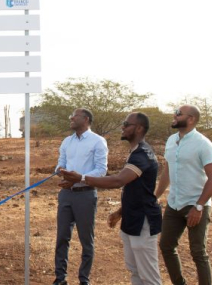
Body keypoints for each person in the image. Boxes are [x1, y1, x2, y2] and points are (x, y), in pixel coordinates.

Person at [60, 112, 162, 285]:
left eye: (126, 124)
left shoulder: (143, 154)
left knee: (149, 276)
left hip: (143, 220)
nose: (122, 127)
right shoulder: (135, 153)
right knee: (135, 271)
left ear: (138, 128)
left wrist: (81, 178)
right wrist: (120, 212)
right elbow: (136, 190)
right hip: (131, 218)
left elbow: (118, 180)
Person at [155, 105, 212, 285]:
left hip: (196, 204)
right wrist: (156, 196)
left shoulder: (204, 144)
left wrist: (199, 207)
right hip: (174, 203)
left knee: (198, 252)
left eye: (178, 114)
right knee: (166, 246)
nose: (174, 116)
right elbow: (167, 171)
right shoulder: (171, 140)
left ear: (190, 119)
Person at [53, 108, 108, 285]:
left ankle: (84, 279)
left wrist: (78, 179)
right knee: (62, 237)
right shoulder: (67, 141)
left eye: (74, 115)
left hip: (85, 195)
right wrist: (62, 173)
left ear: (86, 119)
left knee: (86, 239)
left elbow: (101, 170)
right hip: (66, 194)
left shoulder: (98, 141)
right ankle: (60, 278)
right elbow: (60, 164)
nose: (71, 117)